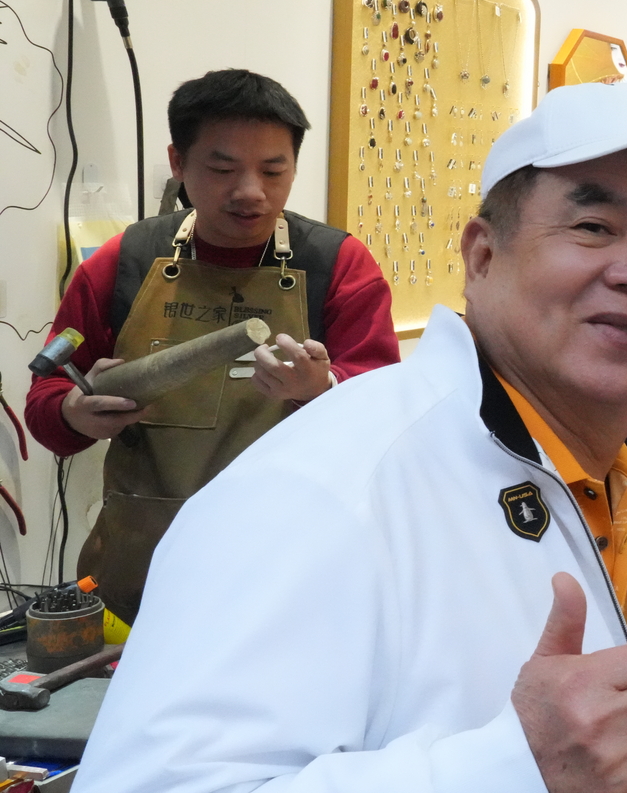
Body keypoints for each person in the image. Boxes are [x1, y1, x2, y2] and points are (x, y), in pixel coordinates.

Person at [55, 82, 627, 793]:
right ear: (482, 255)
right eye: (594, 226)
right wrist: (505, 781)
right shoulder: (326, 491)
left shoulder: (619, 492)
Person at [24, 68, 399, 623]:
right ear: (178, 163)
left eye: (274, 170)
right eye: (223, 169)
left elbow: (390, 416)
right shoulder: (123, 262)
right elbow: (47, 397)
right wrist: (73, 412)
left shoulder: (338, 265)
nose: (251, 191)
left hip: (292, 571)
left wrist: (323, 388)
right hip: (144, 571)